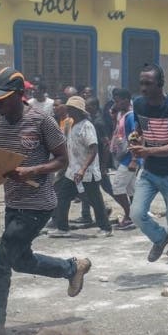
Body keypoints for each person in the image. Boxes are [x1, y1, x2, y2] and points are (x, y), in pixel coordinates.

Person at [0, 67, 91, 335]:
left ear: (20, 95)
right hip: (13, 202)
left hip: (39, 204)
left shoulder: (42, 121)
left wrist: (31, 171)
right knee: (20, 260)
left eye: (3, 99)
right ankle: (71, 268)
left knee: (0, 260)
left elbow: (62, 161)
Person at [128, 63, 168, 278]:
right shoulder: (138, 104)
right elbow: (140, 128)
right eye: (141, 83)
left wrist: (147, 151)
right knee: (136, 213)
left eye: (149, 83)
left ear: (160, 84)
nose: (144, 88)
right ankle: (159, 238)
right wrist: (136, 139)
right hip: (150, 172)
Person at [50, 96, 112, 237]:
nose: (68, 111)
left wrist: (83, 168)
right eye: (68, 108)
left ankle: (106, 228)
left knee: (95, 200)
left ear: (78, 111)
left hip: (87, 171)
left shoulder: (87, 126)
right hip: (73, 170)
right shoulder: (72, 124)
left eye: (71, 109)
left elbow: (93, 149)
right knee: (62, 196)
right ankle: (63, 228)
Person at [107, 89, 138, 230]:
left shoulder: (131, 116)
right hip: (123, 155)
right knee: (131, 189)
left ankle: (129, 215)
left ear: (126, 100)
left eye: (118, 100)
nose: (116, 103)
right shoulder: (122, 114)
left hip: (129, 158)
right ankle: (136, 216)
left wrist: (134, 159)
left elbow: (135, 137)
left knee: (117, 187)